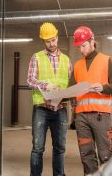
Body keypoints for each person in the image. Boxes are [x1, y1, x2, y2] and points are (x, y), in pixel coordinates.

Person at [69, 26, 112, 175]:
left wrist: (103, 87)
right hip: (81, 118)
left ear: (92, 42)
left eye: (83, 45)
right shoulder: (78, 65)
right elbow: (71, 88)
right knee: (86, 156)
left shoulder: (106, 60)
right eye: (79, 47)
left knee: (105, 154)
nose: (81, 50)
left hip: (101, 117)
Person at [27, 22, 72, 176]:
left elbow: (71, 83)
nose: (51, 43)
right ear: (43, 41)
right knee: (38, 148)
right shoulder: (36, 57)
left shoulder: (66, 60)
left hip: (60, 109)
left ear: (57, 38)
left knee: (60, 148)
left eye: (53, 40)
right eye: (48, 41)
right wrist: (46, 85)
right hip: (41, 109)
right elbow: (30, 80)